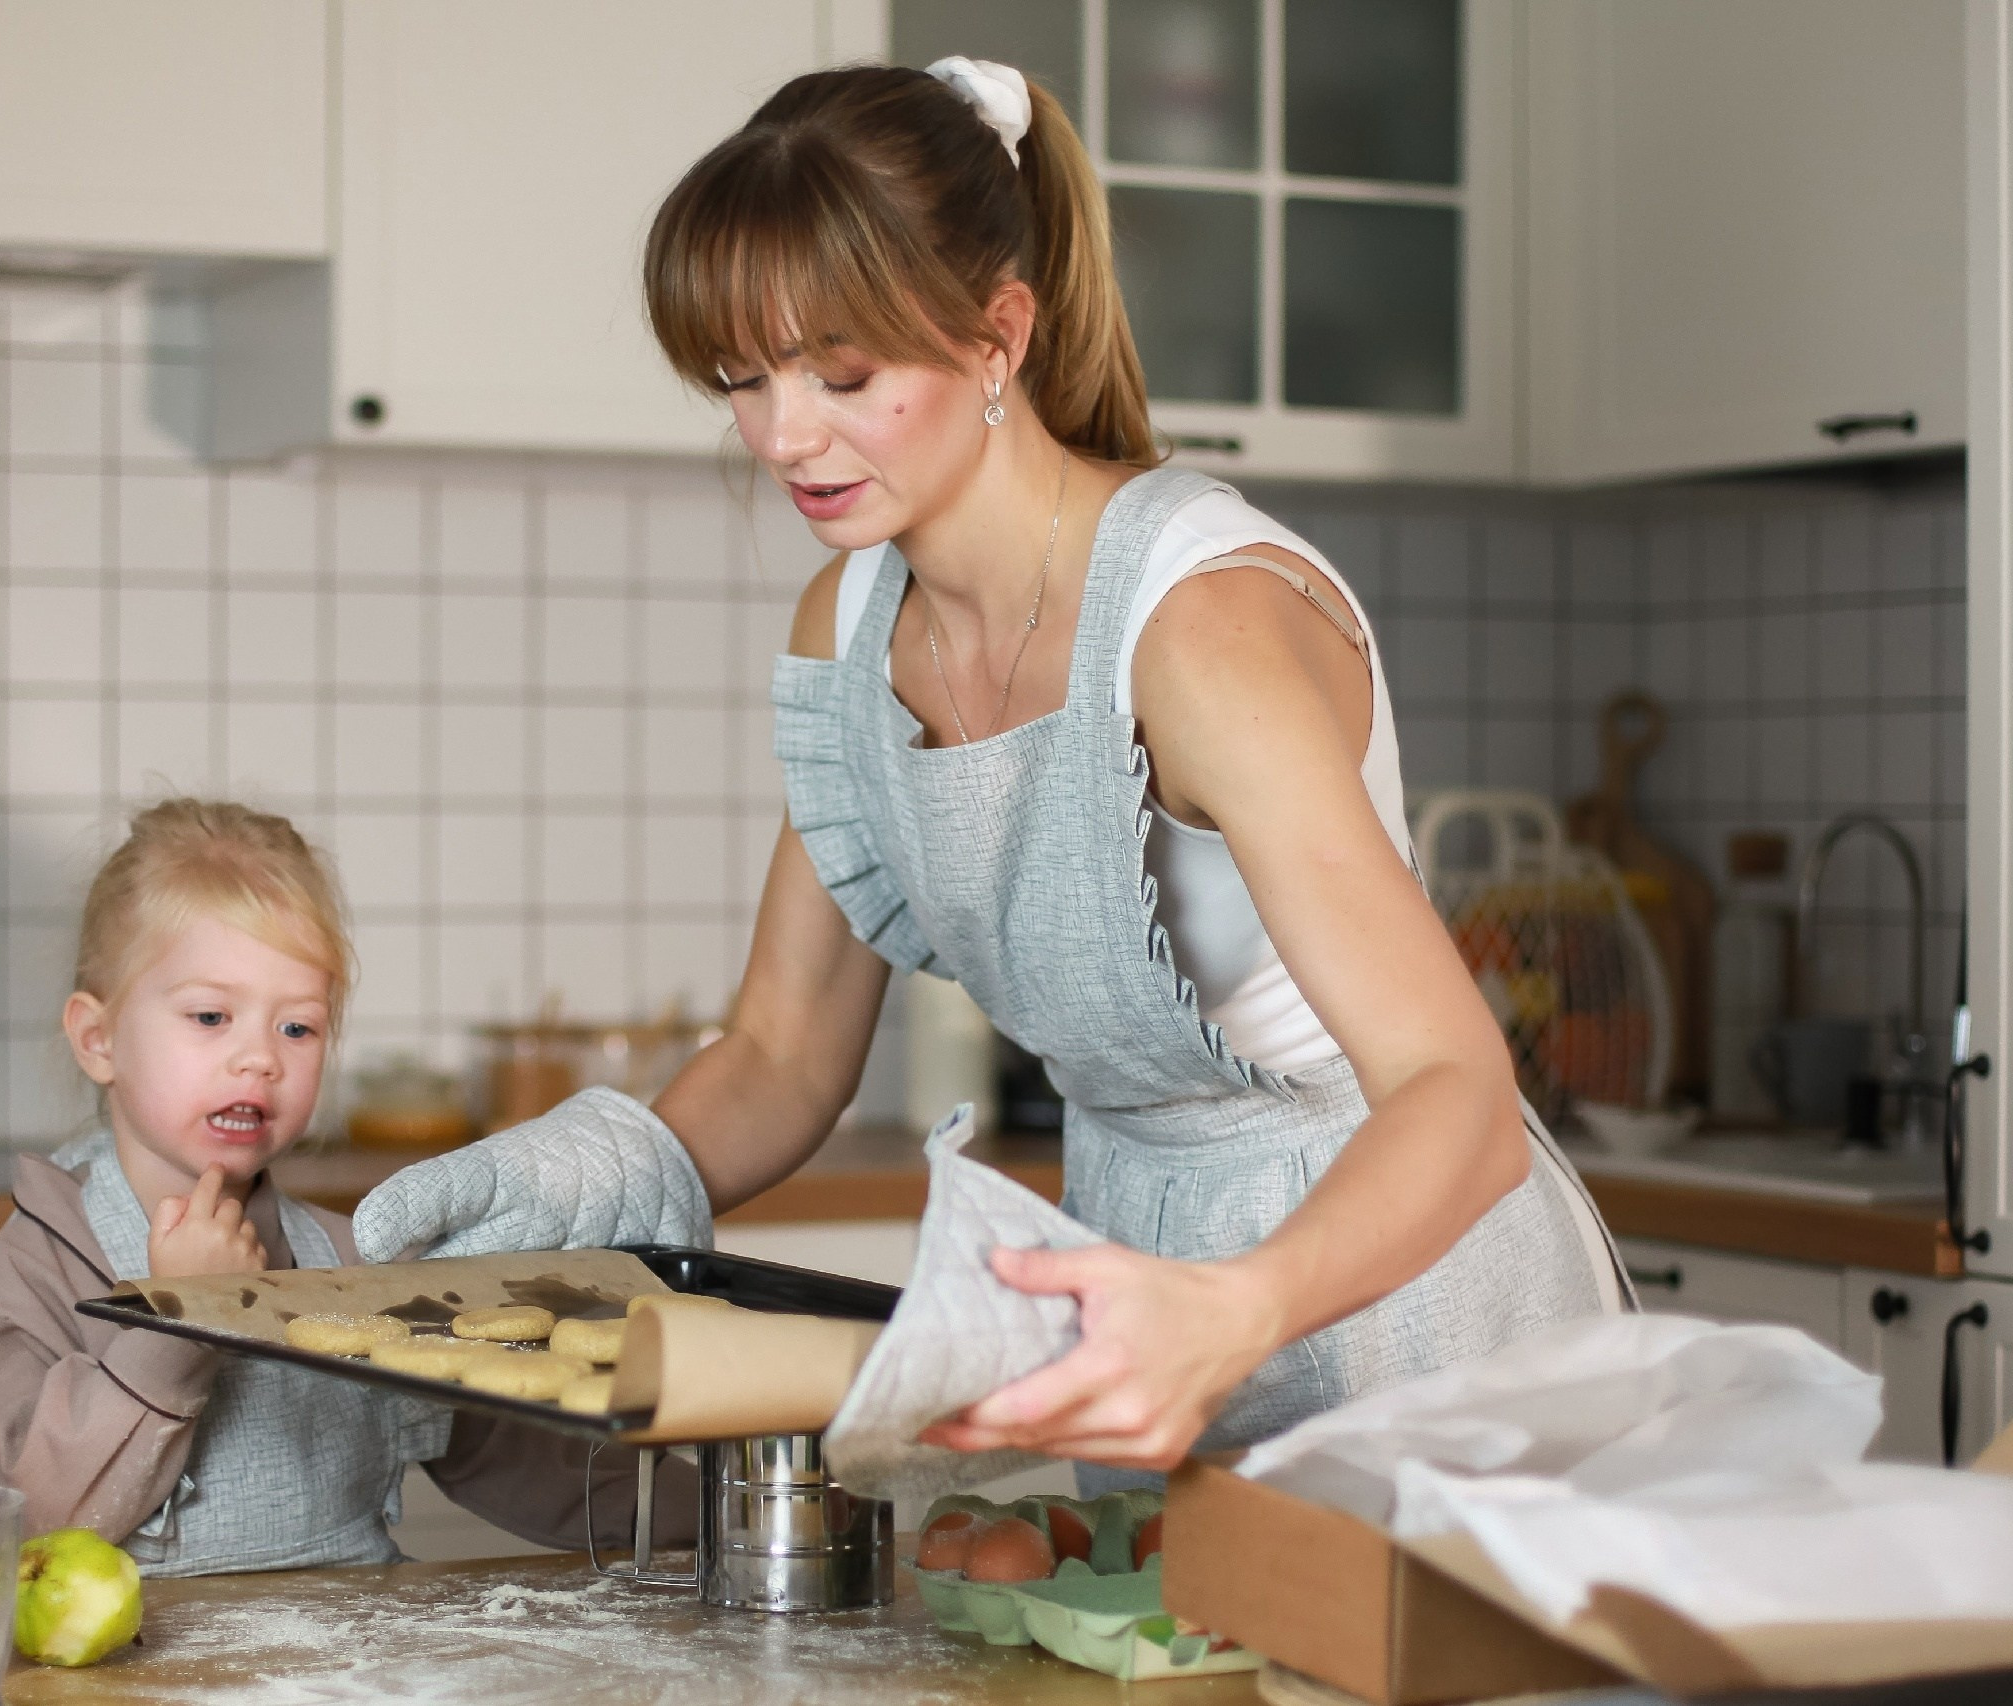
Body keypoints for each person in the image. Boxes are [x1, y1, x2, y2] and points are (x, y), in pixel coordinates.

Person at [354, 59, 1628, 1488]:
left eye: (842, 376)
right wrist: (596, 1167)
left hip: (1410, 1302)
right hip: (1137, 1274)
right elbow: (783, 1051)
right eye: (742, 379)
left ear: (997, 338)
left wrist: (1239, 1308)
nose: (782, 436)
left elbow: (1458, 1093)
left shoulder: (1199, 628)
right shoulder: (849, 630)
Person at [0, 798, 687, 1571]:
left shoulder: (353, 1267)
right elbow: (4, 1530)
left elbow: (516, 1455)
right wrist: (177, 1330)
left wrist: (731, 1512)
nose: (260, 1058)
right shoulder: (28, 1278)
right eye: (210, 1017)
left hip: (356, 1642)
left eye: (297, 1027)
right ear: (98, 1039)